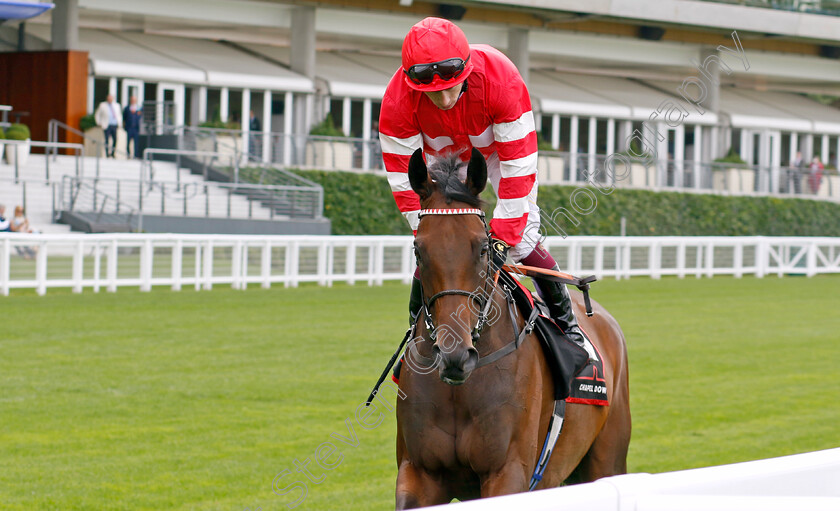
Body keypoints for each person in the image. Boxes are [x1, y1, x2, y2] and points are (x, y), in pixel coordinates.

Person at [380, 17, 591, 377]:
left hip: (497, 152)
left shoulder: (500, 79)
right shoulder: (397, 102)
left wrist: (503, 236)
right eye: (432, 93)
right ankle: (415, 340)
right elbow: (405, 182)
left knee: (523, 237)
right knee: (436, 246)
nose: (444, 100)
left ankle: (569, 328)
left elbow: (518, 169)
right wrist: (427, 230)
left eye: (452, 87)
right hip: (440, 157)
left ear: (468, 69)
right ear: (411, 81)